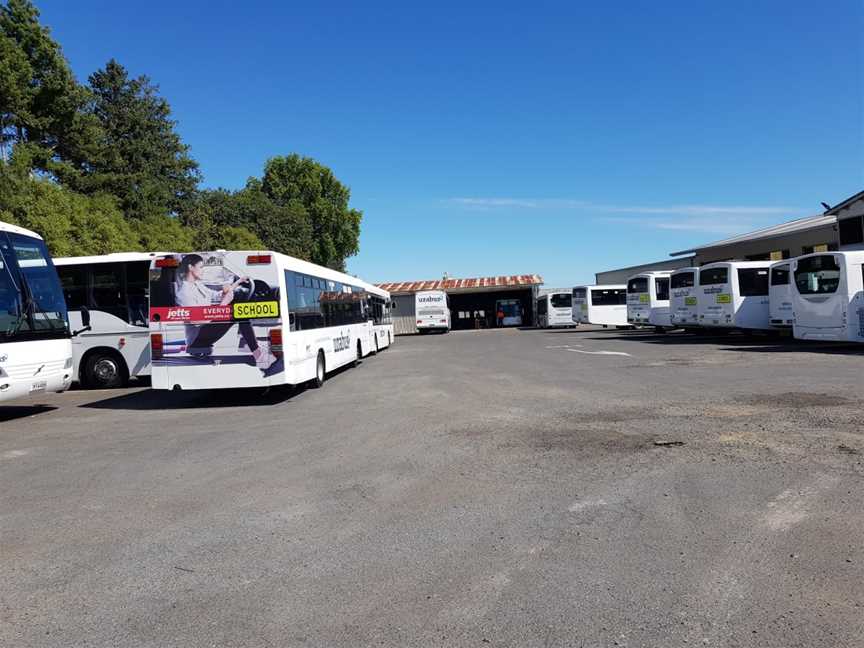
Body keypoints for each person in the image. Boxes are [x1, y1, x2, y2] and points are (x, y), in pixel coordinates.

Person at [175, 254, 275, 370]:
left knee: (238, 310)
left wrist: (233, 285)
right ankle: (258, 354)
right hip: (197, 337)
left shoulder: (197, 285)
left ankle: (252, 346)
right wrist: (223, 305)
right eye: (201, 267)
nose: (203, 271)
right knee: (238, 313)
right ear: (191, 267)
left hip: (205, 329)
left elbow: (215, 295)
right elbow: (197, 320)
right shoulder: (184, 293)